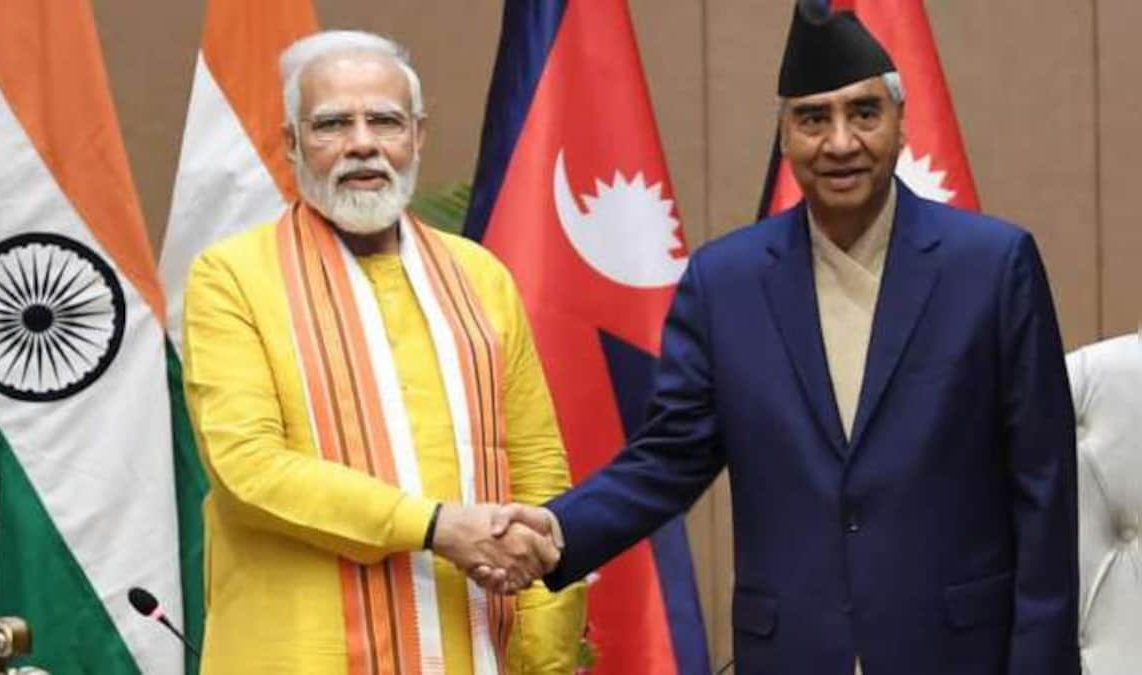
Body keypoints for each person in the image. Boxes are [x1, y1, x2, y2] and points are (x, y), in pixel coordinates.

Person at [487, 5, 1079, 674]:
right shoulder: (726, 281)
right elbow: (668, 457)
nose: (840, 142)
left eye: (863, 112)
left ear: (900, 123)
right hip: (794, 649)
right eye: (812, 118)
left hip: (955, 648)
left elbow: (1044, 487)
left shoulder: (992, 266)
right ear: (785, 133)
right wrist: (558, 531)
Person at [181, 30, 584, 674]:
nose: (362, 142)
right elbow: (247, 467)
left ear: (417, 137)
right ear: (291, 145)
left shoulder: (479, 276)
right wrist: (436, 526)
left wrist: (545, 657)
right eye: (333, 123)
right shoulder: (231, 276)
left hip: (472, 651)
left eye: (385, 121)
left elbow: (537, 473)